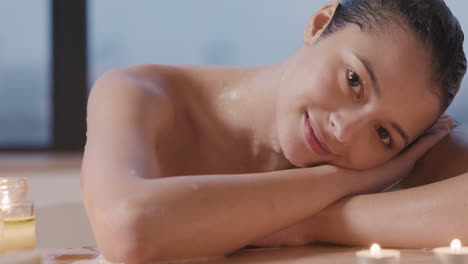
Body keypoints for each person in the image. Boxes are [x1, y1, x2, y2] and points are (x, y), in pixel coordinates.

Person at [81, 0, 467, 263]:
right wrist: (340, 183)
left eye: (383, 133)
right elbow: (128, 227)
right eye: (354, 80)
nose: (345, 131)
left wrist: (316, 222)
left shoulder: (406, 152)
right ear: (319, 24)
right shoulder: (142, 95)